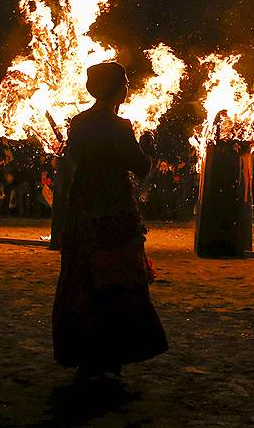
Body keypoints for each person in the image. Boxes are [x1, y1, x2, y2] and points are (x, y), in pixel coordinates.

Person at [52, 61, 167, 379]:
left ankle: (85, 352)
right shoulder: (120, 126)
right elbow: (140, 166)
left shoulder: (78, 122)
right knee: (115, 277)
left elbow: (73, 157)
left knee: (83, 276)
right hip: (113, 209)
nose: (129, 86)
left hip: (82, 207)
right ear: (116, 89)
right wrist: (147, 148)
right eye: (126, 81)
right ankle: (111, 353)